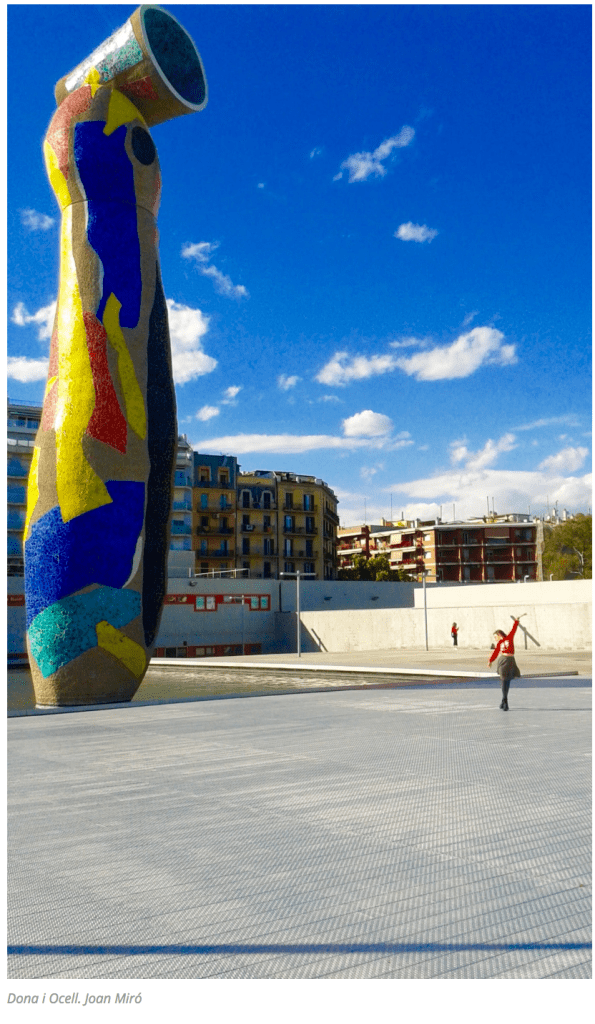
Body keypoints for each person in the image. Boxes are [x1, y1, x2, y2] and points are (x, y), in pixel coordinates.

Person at [488, 615, 526, 710]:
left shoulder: (509, 637)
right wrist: (490, 661)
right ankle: (505, 701)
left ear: (499, 635)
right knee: (504, 680)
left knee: (507, 681)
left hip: (510, 661)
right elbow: (496, 652)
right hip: (503, 661)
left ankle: (503, 700)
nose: (495, 639)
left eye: (495, 637)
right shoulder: (499, 644)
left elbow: (513, 629)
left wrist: (516, 621)